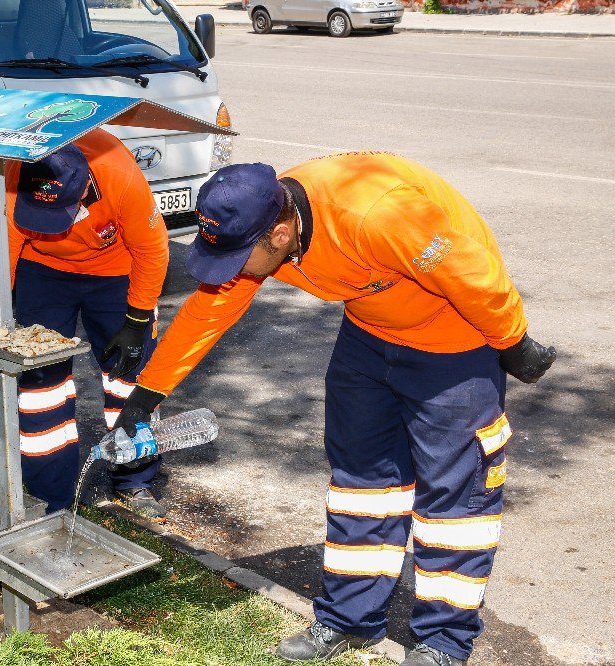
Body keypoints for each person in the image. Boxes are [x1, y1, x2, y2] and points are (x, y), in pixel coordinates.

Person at [114, 154, 556, 665]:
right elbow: (209, 310)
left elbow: (470, 271)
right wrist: (146, 397)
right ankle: (349, 620)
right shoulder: (258, 223)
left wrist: (513, 341)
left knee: (454, 501)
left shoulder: (376, 213)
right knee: (360, 483)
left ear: (279, 234)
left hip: (455, 344)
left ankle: (443, 643)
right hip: (370, 339)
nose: (229, 272)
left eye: (237, 259)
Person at [0, 128, 170, 517]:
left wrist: (137, 319)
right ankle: (52, 495)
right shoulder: (13, 176)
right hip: (43, 271)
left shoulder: (118, 172)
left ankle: (134, 479)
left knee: (127, 375)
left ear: (83, 190)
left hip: (116, 273)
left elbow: (152, 250)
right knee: (38, 383)